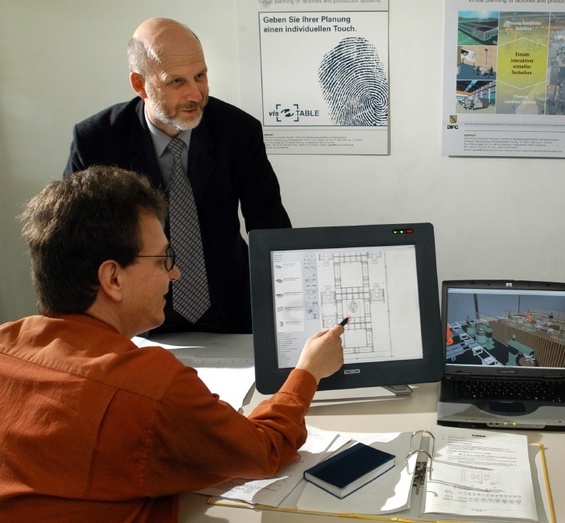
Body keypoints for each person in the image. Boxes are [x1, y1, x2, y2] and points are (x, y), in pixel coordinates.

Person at [0, 166, 343, 521]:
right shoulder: (151, 387)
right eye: (164, 259)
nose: (175, 273)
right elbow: (264, 450)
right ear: (113, 278)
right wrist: (308, 372)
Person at [64, 17, 291, 334]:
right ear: (140, 85)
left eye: (200, 76)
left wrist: (288, 319)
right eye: (176, 82)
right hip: (135, 320)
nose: (196, 94)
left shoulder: (238, 131)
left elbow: (270, 230)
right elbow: (74, 248)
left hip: (230, 310)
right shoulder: (97, 141)